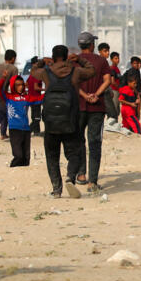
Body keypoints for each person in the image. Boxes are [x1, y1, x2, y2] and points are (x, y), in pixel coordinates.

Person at [30, 45, 95, 199]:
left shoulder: (46, 72)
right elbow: (92, 71)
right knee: (75, 153)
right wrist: (79, 59)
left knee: (52, 155)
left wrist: (41, 62)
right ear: (67, 56)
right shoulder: (75, 71)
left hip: (51, 122)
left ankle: (56, 189)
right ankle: (70, 177)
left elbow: (33, 72)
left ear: (53, 57)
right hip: (70, 120)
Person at [77, 32, 111, 195]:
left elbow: (72, 82)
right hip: (97, 107)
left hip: (79, 106)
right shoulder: (101, 61)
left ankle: (81, 174)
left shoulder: (75, 61)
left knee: (79, 140)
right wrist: (96, 94)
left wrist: (84, 95)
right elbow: (107, 80)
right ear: (91, 45)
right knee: (94, 142)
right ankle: (92, 181)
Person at [4, 75, 42, 167]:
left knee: (26, 157)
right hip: (14, 130)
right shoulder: (8, 97)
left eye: (21, 85)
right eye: (17, 85)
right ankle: (12, 168)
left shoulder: (26, 98)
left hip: (26, 130)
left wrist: (52, 88)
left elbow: (39, 99)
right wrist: (4, 79)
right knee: (18, 155)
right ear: (13, 86)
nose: (20, 87)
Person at [0, 49, 18, 141]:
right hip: (0, 93)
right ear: (13, 58)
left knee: (5, 110)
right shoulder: (13, 69)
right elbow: (14, 84)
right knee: (2, 112)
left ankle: (3, 133)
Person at [26, 65, 44, 136]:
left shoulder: (30, 76)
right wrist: (45, 89)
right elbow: (36, 87)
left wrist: (30, 90)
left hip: (30, 98)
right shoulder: (37, 77)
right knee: (37, 118)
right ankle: (28, 131)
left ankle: (37, 131)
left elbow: (26, 84)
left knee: (34, 116)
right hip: (36, 99)